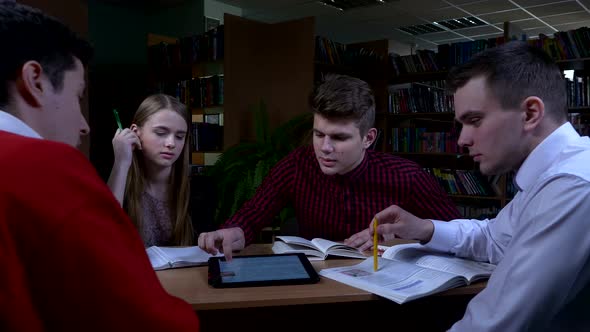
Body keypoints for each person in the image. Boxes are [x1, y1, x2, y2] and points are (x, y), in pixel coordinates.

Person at [346, 41, 590, 331]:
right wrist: (425, 228)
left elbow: (494, 324)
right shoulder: (554, 174)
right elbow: (496, 239)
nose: (462, 140)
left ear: (530, 114)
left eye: (474, 120)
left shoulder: (573, 185)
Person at [0, 3, 199, 330]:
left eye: (179, 136)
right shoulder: (45, 166)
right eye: (78, 96)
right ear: (35, 80)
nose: (83, 125)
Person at [198, 73, 461, 259]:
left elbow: (461, 236)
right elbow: (253, 215)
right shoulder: (296, 165)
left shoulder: (408, 177)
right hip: (319, 291)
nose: (324, 147)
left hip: (386, 293)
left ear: (368, 138)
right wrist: (235, 230)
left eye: (339, 137)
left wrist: (405, 240)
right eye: (319, 134)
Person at [107, 94, 193, 246]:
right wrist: (121, 163)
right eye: (161, 133)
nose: (171, 143)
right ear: (135, 132)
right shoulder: (121, 185)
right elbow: (105, 235)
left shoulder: (199, 191)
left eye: (180, 136)